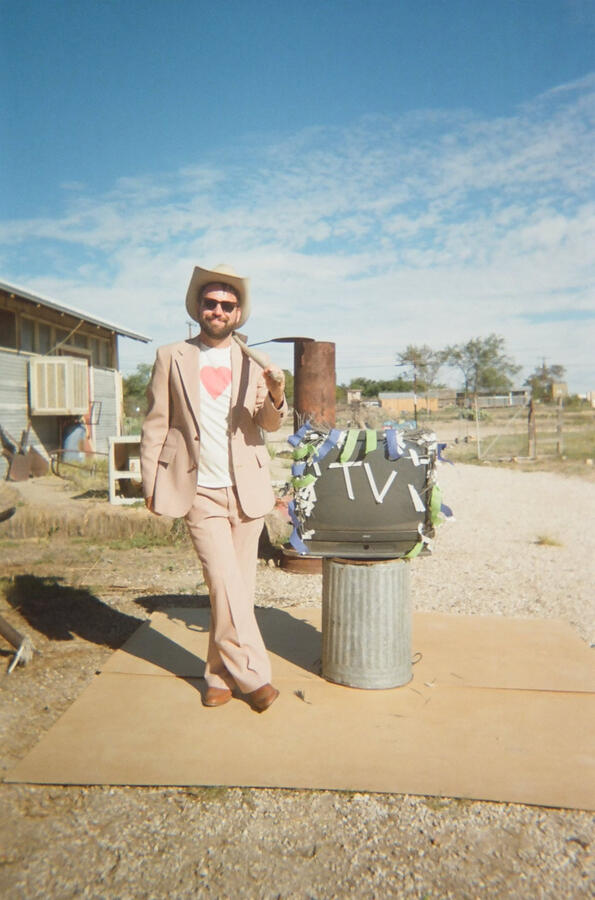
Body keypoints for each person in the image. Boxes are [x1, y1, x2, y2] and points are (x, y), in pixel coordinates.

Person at [140, 263, 287, 712]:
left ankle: (217, 676)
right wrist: (149, 481)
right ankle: (254, 677)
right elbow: (155, 422)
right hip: (197, 488)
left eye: (227, 305)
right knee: (223, 581)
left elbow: (269, 424)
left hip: (247, 490)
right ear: (199, 308)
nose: (218, 310)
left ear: (238, 313)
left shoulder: (253, 361)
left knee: (235, 589)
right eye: (211, 303)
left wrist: (278, 393)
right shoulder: (172, 356)